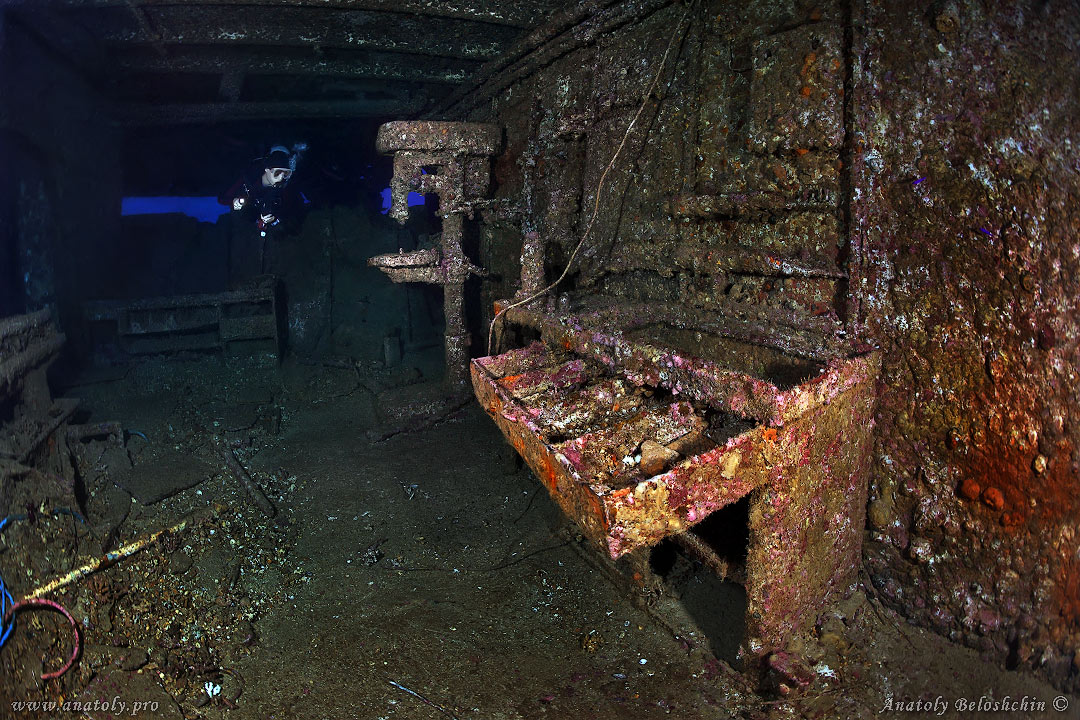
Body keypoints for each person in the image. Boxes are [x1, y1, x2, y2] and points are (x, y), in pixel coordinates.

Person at [220, 144, 307, 236]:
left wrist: (276, 218)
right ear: (267, 170)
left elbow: (296, 208)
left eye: (286, 173)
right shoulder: (248, 179)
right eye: (277, 173)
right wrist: (234, 201)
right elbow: (222, 199)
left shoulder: (288, 188)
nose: (281, 178)